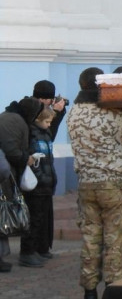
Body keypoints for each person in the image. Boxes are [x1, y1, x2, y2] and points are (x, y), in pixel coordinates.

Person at [66, 67, 122, 299]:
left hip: (86, 183)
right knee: (114, 239)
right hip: (113, 183)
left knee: (90, 238)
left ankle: (89, 290)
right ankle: (113, 287)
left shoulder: (74, 112)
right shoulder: (113, 112)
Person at [0, 96, 43, 273]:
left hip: (6, 174)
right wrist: (27, 159)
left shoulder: (7, 116)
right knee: (3, 215)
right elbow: (11, 153)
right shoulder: (17, 121)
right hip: (5, 177)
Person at [20, 107, 57, 266]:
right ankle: (27, 252)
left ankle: (38, 249)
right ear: (37, 120)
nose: (49, 125)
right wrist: (42, 178)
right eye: (47, 121)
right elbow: (34, 161)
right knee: (34, 219)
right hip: (37, 184)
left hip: (46, 183)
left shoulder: (46, 134)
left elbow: (49, 159)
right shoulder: (33, 134)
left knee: (41, 219)